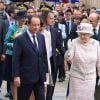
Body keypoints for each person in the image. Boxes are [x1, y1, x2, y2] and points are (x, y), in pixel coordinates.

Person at [12, 16, 48, 100]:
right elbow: (15, 59)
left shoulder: (41, 37)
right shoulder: (20, 39)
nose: (36, 27)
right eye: (34, 25)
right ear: (28, 24)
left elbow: (43, 56)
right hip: (25, 78)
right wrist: (16, 75)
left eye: (38, 25)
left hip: (39, 78)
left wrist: (45, 71)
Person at [64, 23, 100, 100]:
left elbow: (99, 61)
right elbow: (68, 59)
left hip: (90, 78)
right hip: (76, 77)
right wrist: (69, 50)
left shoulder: (96, 44)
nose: (83, 36)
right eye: (81, 34)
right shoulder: (74, 42)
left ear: (90, 34)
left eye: (86, 34)